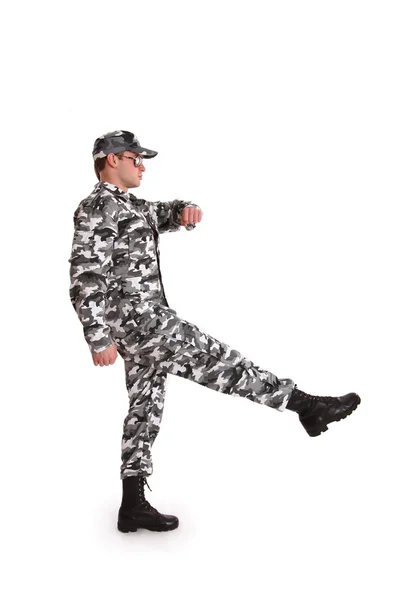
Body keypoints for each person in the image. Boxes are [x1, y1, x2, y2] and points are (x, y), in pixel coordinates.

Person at [68, 129, 361, 534]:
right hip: (144, 324)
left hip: (142, 322)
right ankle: (305, 405)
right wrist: (97, 337)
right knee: (219, 360)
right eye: (136, 158)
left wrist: (184, 209)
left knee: (144, 408)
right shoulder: (97, 207)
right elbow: (86, 275)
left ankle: (131, 504)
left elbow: (160, 212)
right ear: (112, 159)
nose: (142, 165)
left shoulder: (128, 205)